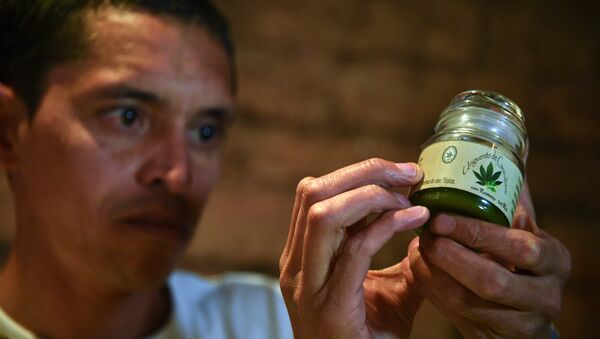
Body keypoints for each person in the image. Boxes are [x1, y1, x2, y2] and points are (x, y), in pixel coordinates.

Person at [0, 1, 570, 338]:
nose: (178, 175)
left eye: (205, 131)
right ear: (9, 130)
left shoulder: (283, 323)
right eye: (127, 116)